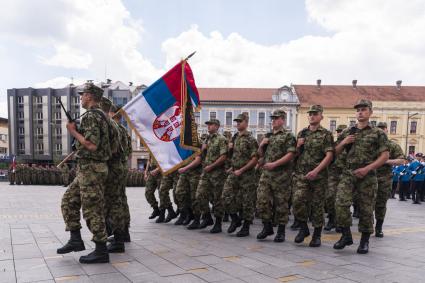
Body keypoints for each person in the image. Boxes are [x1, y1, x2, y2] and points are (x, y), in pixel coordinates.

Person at [58, 82, 111, 264]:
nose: (81, 98)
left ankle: (101, 249)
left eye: (83, 95)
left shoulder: (92, 116)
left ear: (89, 96)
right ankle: (75, 239)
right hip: (88, 169)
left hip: (92, 169)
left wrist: (73, 132)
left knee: (92, 209)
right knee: (69, 201)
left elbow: (92, 145)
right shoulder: (101, 116)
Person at [334, 99, 389, 254]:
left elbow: (385, 156)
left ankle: (364, 241)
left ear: (370, 112)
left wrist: (367, 169)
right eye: (358, 110)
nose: (360, 112)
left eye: (364, 109)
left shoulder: (377, 133)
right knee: (340, 204)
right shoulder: (348, 132)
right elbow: (334, 153)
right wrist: (344, 142)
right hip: (348, 174)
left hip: (368, 175)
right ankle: (346, 235)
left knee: (366, 209)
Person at [292, 105, 334, 247]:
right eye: (310, 114)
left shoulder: (326, 134)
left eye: (315, 114)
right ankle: (304, 229)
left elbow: (329, 155)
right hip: (302, 175)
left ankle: (316, 235)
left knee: (317, 206)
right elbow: (295, 155)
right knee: (297, 201)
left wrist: (316, 170)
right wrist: (297, 146)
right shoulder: (302, 133)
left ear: (321, 116)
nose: (312, 116)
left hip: (319, 176)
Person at [256, 109, 296, 242]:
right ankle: (267, 226)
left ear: (283, 120)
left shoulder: (288, 136)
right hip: (266, 174)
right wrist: (261, 146)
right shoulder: (268, 136)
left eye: (276, 118)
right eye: (272, 118)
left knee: (281, 203)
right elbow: (261, 156)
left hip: (281, 175)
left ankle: (281, 231)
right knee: (262, 201)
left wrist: (275, 164)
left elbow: (290, 154)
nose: (273, 120)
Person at [222, 113, 258, 237]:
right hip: (234, 171)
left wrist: (241, 170)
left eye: (240, 121)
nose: (237, 123)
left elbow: (254, 159)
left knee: (247, 201)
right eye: (236, 121)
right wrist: (232, 167)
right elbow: (236, 157)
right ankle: (235, 219)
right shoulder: (235, 138)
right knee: (226, 195)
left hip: (246, 174)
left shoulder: (251, 139)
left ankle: (246, 227)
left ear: (246, 123)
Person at [189, 118, 227, 233]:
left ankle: (218, 223)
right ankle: (207, 217)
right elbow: (201, 156)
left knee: (217, 199)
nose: (208, 126)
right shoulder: (206, 140)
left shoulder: (222, 139)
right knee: (199, 195)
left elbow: (223, 156)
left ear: (217, 126)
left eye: (211, 124)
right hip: (206, 173)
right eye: (208, 124)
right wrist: (203, 150)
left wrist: (212, 166)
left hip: (217, 174)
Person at [374, 122, 405, 238]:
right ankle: (366, 226)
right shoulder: (371, 144)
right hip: (369, 178)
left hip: (384, 179)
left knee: (381, 204)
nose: (382, 131)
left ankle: (378, 227)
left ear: (387, 130)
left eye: (383, 129)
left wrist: (385, 161)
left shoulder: (392, 145)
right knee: (365, 203)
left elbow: (401, 161)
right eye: (379, 129)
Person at [325, 124, 347, 232]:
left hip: (345, 175)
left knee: (342, 200)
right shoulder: (333, 145)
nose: (339, 133)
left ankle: (340, 222)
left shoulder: (350, 145)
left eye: (342, 131)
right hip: (333, 174)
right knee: (330, 197)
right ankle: (331, 219)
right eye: (338, 131)